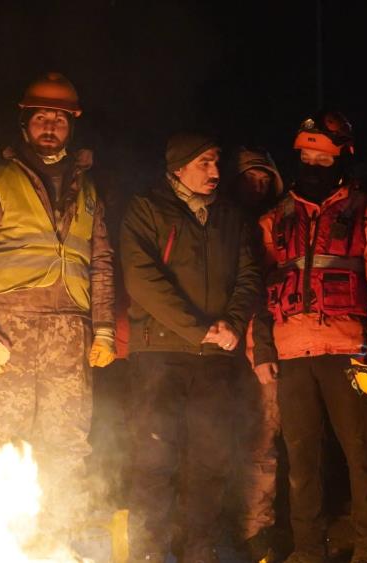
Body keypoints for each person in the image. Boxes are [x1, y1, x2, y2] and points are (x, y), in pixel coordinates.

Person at [0, 73, 115, 533]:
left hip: (69, 335)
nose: (49, 127)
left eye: (58, 120)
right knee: (4, 446)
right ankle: (5, 545)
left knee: (67, 447)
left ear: (71, 127)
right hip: (10, 332)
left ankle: (58, 545)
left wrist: (103, 328)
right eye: (41, 118)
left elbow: (101, 260)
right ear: (24, 124)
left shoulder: (88, 189)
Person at [252, 113, 367, 563]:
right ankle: (309, 550)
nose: (314, 163)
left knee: (363, 454)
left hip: (349, 347)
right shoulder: (274, 219)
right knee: (301, 460)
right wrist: (261, 348)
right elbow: (256, 285)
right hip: (292, 352)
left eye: (324, 156)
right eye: (307, 156)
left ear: (343, 157)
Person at [120, 133, 261, 562]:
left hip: (216, 357)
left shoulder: (230, 217)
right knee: (154, 457)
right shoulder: (146, 209)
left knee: (211, 460)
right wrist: (196, 327)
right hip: (159, 354)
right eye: (204, 163)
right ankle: (148, 553)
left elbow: (249, 274)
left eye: (217, 162)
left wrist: (233, 325)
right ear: (178, 167)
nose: (215, 173)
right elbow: (142, 278)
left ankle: (200, 552)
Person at [229, 146, 285, 561]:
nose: (258, 186)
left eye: (265, 179)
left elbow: (265, 295)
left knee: (262, 443)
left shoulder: (278, 226)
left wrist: (262, 347)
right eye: (250, 178)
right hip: (219, 350)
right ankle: (220, 527)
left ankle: (256, 530)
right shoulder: (221, 223)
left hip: (261, 352)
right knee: (216, 440)